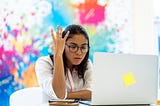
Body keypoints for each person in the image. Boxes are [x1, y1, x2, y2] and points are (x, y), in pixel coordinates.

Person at [35, 24, 93, 101]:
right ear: (62, 45)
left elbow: (92, 93)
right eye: (73, 47)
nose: (79, 52)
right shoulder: (44, 63)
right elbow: (59, 94)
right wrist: (58, 55)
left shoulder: (87, 64)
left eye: (83, 47)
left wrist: (66, 95)